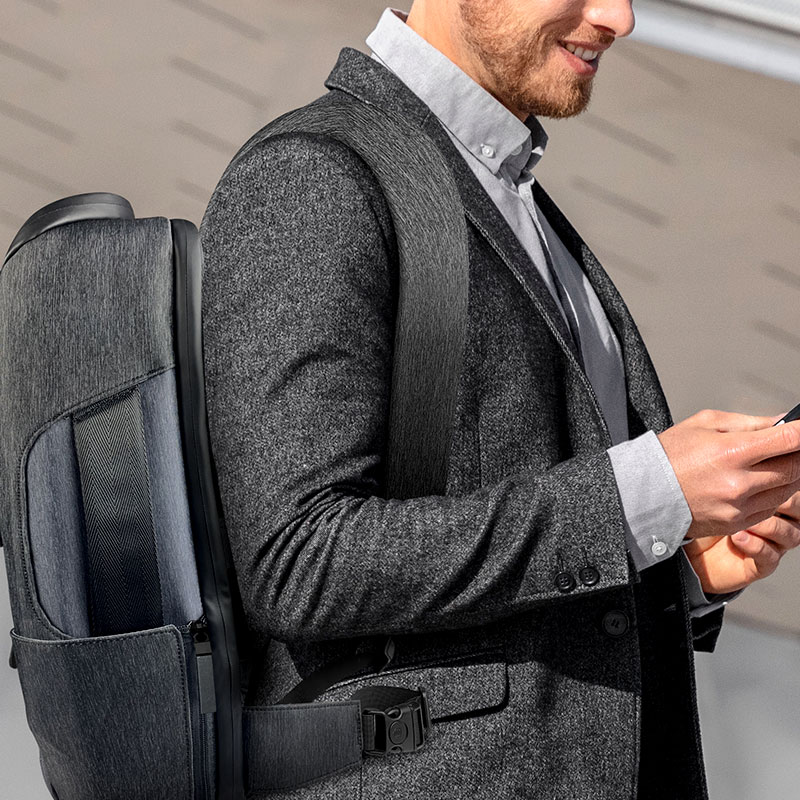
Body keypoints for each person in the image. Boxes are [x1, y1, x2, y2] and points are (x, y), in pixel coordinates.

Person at [199, 2, 800, 798]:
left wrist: (676, 569)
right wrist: (645, 496)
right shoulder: (313, 175)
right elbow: (301, 563)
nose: (618, 18)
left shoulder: (513, 198)